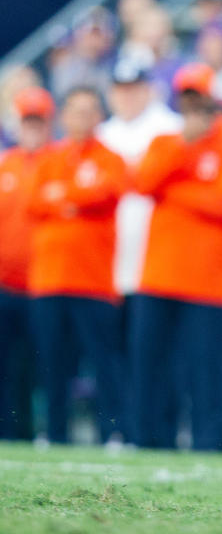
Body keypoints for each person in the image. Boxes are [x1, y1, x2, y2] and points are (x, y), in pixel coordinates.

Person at [129, 62, 222, 451]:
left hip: (208, 281)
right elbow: (143, 182)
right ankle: (149, 438)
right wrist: (184, 148)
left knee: (205, 372)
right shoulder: (166, 142)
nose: (194, 107)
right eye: (187, 98)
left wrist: (177, 194)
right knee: (152, 366)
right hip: (159, 275)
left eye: (200, 99)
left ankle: (209, 442)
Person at [27, 87, 127, 444]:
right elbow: (33, 201)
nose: (81, 118)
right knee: (53, 363)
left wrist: (63, 197)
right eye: (74, 111)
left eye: (88, 111)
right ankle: (53, 432)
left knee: (103, 363)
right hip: (50, 279)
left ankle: (112, 432)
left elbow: (107, 191)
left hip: (94, 281)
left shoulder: (110, 158)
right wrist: (73, 201)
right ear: (64, 116)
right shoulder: (48, 158)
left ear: (98, 116)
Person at [97, 57, 182, 301]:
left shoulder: (172, 129)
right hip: (112, 250)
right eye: (121, 89)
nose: (127, 96)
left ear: (148, 90)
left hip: (160, 249)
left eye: (133, 88)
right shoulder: (101, 135)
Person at [0, 87, 53, 439]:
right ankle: (9, 432)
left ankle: (41, 432)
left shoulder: (59, 161)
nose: (32, 127)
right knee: (5, 365)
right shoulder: (7, 164)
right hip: (5, 283)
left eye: (38, 120)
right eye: (27, 120)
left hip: (44, 283)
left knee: (39, 365)